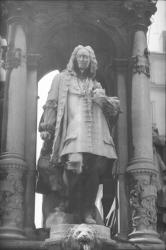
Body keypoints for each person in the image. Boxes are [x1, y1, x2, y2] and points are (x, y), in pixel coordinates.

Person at [37, 45, 120, 225]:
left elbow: (112, 112)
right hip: (73, 133)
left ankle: (87, 212)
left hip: (94, 136)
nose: (83, 60)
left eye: (86, 58)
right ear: (74, 59)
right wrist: (47, 127)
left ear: (91, 62)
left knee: (93, 172)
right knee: (73, 168)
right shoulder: (61, 79)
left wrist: (102, 99)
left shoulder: (95, 84)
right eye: (80, 57)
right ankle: (72, 207)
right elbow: (51, 103)